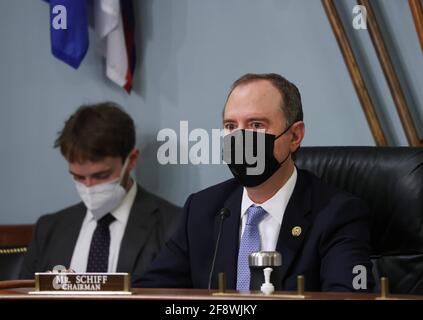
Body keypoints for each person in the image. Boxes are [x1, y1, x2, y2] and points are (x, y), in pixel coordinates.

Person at [134, 73, 374, 292]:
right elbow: (150, 292)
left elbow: (349, 298)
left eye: (256, 125)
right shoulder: (202, 209)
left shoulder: (338, 215)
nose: (240, 139)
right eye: (231, 126)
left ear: (295, 136)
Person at [20, 102, 182, 280]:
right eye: (79, 177)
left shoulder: (173, 226)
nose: (89, 187)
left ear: (132, 160)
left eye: (101, 176)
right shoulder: (48, 229)